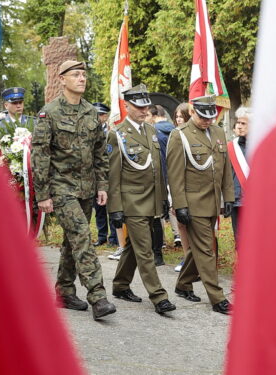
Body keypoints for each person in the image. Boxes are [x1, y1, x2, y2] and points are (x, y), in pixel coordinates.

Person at [31, 60, 117, 320]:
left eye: (84, 74)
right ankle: (98, 296)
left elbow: (100, 153)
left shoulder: (92, 112)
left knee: (71, 242)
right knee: (82, 237)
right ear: (63, 80)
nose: (82, 78)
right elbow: (40, 156)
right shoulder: (50, 113)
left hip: (87, 189)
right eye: (76, 75)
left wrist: (102, 185)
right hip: (61, 188)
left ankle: (64, 291)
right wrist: (43, 194)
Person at [106, 84, 176, 314]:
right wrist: (115, 208)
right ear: (127, 106)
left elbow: (158, 168)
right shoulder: (117, 134)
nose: (144, 110)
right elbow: (113, 175)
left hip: (152, 200)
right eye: (138, 106)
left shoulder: (151, 131)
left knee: (133, 248)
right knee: (145, 248)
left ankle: (120, 285)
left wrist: (163, 199)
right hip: (132, 202)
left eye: (146, 106)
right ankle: (159, 296)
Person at [167, 95, 234, 315]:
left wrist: (229, 198)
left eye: (210, 117)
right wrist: (180, 206)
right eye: (203, 117)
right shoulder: (180, 136)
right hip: (193, 203)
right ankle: (217, 298)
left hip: (213, 202)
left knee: (201, 248)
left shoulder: (217, 132)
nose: (207, 121)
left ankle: (183, 284)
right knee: (207, 250)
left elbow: (224, 169)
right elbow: (175, 176)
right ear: (193, 111)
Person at [149, 104, 174, 266]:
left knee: (154, 218)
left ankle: (155, 252)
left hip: (156, 178)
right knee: (158, 217)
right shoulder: (173, 130)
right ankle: (157, 254)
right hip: (169, 178)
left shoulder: (155, 133)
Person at [91, 102, 118, 247]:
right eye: (97, 114)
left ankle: (114, 238)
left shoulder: (111, 132)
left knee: (112, 207)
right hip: (95, 175)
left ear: (106, 116)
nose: (99, 117)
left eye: (101, 115)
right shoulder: (89, 131)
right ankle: (102, 236)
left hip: (110, 175)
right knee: (99, 208)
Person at [171, 103, 192, 272]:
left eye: (182, 116)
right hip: (177, 187)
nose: (179, 119)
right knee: (180, 224)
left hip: (193, 188)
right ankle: (187, 256)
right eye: (177, 116)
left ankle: (196, 259)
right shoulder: (174, 135)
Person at [228, 107, 251, 245]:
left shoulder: (261, 144)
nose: (239, 126)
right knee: (240, 239)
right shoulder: (231, 147)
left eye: (244, 123)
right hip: (237, 199)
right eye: (238, 122)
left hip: (258, 199)